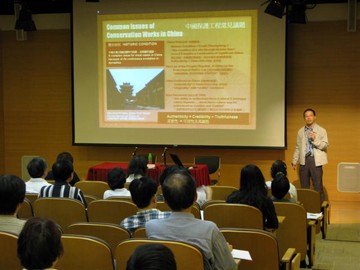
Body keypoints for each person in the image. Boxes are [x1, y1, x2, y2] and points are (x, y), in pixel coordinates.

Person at [146, 171, 236, 270]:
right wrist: (225, 252)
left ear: (164, 201)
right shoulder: (210, 229)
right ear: (195, 197)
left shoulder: (151, 227)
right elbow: (228, 267)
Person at [292, 108, 328, 202]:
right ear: (304, 118)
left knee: (318, 186)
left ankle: (320, 210)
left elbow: (325, 146)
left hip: (315, 160)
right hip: (304, 160)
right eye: (306, 116)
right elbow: (298, 147)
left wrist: (315, 139)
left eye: (310, 115)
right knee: (304, 187)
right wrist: (294, 160)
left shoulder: (321, 130)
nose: (308, 118)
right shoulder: (300, 131)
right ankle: (306, 209)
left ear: (315, 117)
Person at [226, 164, 279, 230]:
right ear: (260, 179)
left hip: (234, 239)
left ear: (242, 180)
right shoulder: (265, 200)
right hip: (258, 237)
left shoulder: (231, 198)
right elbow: (274, 224)